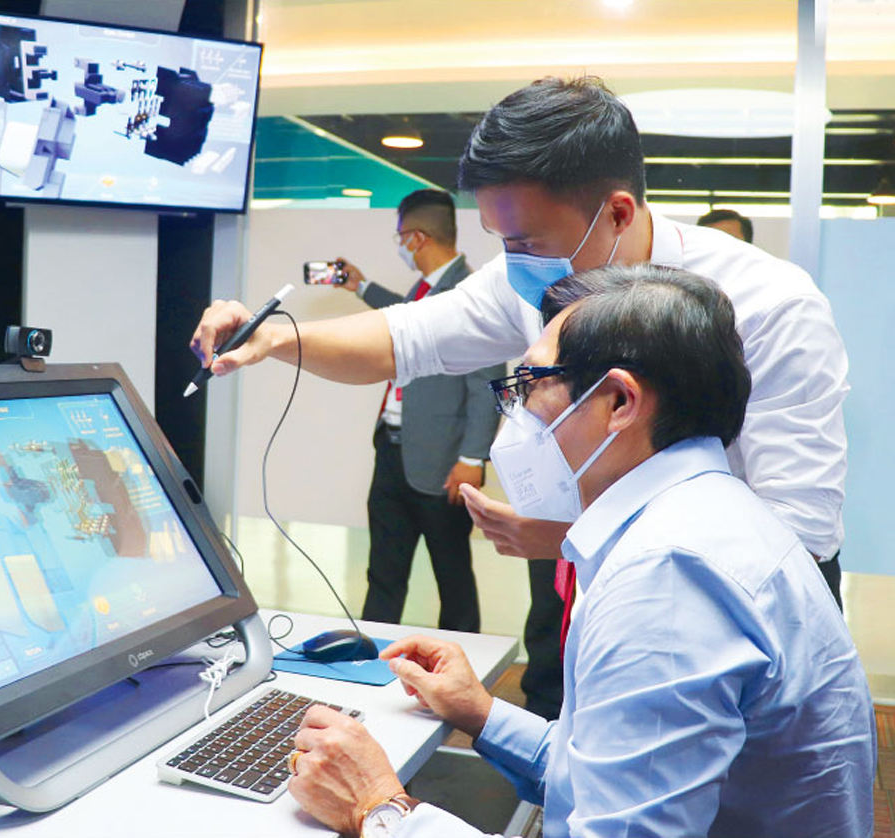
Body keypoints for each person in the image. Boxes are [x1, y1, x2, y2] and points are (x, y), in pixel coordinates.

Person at [190, 76, 848, 721]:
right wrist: (275, 336)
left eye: (528, 242)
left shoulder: (770, 306)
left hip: (742, 617)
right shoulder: (538, 277)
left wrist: (575, 537)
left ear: (618, 213)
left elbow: (797, 535)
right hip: (610, 597)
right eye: (501, 241)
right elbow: (406, 337)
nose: (514, 262)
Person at [283, 266, 875, 838]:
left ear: (619, 402)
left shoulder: (668, 578)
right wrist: (479, 712)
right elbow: (603, 781)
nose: (517, 414)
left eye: (530, 384)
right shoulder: (708, 517)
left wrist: (379, 810)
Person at [333, 189, 501, 633]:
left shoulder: (471, 293)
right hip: (392, 453)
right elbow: (406, 317)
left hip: (443, 464)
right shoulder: (424, 290)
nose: (401, 246)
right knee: (383, 573)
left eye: (401, 238)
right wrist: (361, 286)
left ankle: (461, 661)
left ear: (417, 238)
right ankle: (369, 657)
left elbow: (486, 387)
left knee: (453, 578)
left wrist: (472, 459)